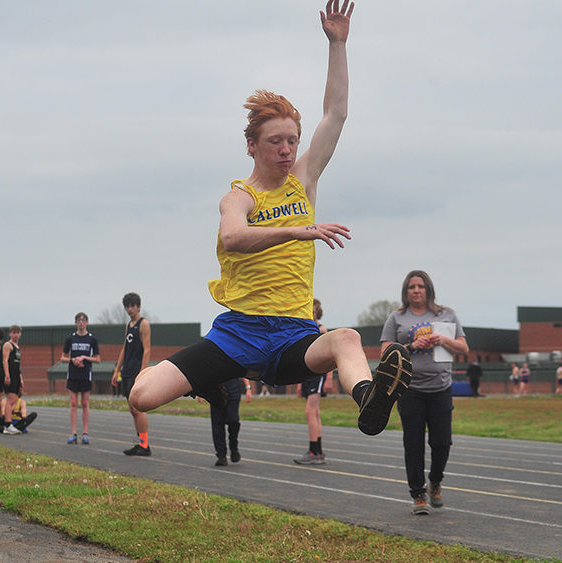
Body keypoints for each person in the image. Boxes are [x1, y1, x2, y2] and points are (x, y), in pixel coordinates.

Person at [128, 1, 412, 442]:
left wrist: (337, 45)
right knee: (141, 396)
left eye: (292, 141)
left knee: (347, 339)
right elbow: (234, 237)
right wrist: (297, 231)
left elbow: (336, 113)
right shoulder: (239, 195)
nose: (286, 150)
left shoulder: (303, 180)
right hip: (240, 331)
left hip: (294, 333)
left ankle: (370, 399)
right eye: (275, 141)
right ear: (251, 146)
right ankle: (211, 382)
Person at [380, 270, 468, 515]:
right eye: (411, 287)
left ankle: (436, 481)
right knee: (413, 443)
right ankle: (418, 494)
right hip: (409, 390)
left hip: (440, 387)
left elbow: (464, 348)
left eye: (420, 286)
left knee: (442, 442)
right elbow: (386, 353)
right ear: (405, 292)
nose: (416, 290)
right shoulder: (396, 317)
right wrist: (410, 346)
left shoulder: (446, 314)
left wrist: (444, 341)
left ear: (428, 289)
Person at [114, 293, 153, 456]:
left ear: (138, 306)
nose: (129, 309)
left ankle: (145, 445)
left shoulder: (144, 324)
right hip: (127, 370)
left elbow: (147, 349)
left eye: (132, 306)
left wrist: (142, 372)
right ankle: (140, 442)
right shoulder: (129, 325)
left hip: (137, 370)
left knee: (138, 408)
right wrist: (117, 370)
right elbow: (125, 348)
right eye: (127, 306)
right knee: (132, 409)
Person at [294, 299, 329, 465]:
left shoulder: (321, 331)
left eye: (313, 312)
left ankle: (314, 450)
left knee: (310, 411)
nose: (310, 314)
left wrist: (328, 378)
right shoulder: (304, 330)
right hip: (307, 375)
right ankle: (318, 450)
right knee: (314, 412)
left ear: (317, 313)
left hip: (318, 375)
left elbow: (330, 356)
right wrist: (299, 382)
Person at [61, 312, 100, 445]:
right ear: (76, 323)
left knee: (84, 403)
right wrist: (73, 360)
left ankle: (85, 433)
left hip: (85, 375)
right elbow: (63, 357)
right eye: (78, 320)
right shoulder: (70, 339)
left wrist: (84, 358)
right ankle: (73, 433)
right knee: (73, 402)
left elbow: (98, 359)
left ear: (87, 322)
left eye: (83, 320)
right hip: (73, 374)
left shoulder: (92, 339)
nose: (81, 323)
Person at [210, 378, 246, 466]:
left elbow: (245, 369)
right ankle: (221, 456)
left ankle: (233, 446)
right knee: (217, 425)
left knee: (233, 420)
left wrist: (248, 388)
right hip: (216, 390)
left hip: (233, 388)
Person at [0, 325, 24, 435]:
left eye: (18, 333)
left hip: (16, 375)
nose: (16, 335)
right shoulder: (8, 345)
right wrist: (7, 375)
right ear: (10, 333)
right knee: (10, 400)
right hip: (10, 375)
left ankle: (9, 423)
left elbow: (18, 365)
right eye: (14, 332)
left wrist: (21, 379)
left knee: (14, 400)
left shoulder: (18, 347)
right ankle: (8, 424)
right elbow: (5, 360)